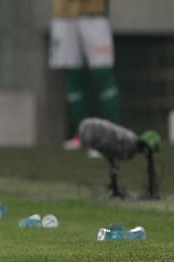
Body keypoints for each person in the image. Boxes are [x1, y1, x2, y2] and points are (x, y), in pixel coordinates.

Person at [49, 0, 122, 150]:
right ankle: (83, 136)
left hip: (93, 10)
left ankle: (114, 136)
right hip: (63, 13)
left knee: (102, 73)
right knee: (71, 73)